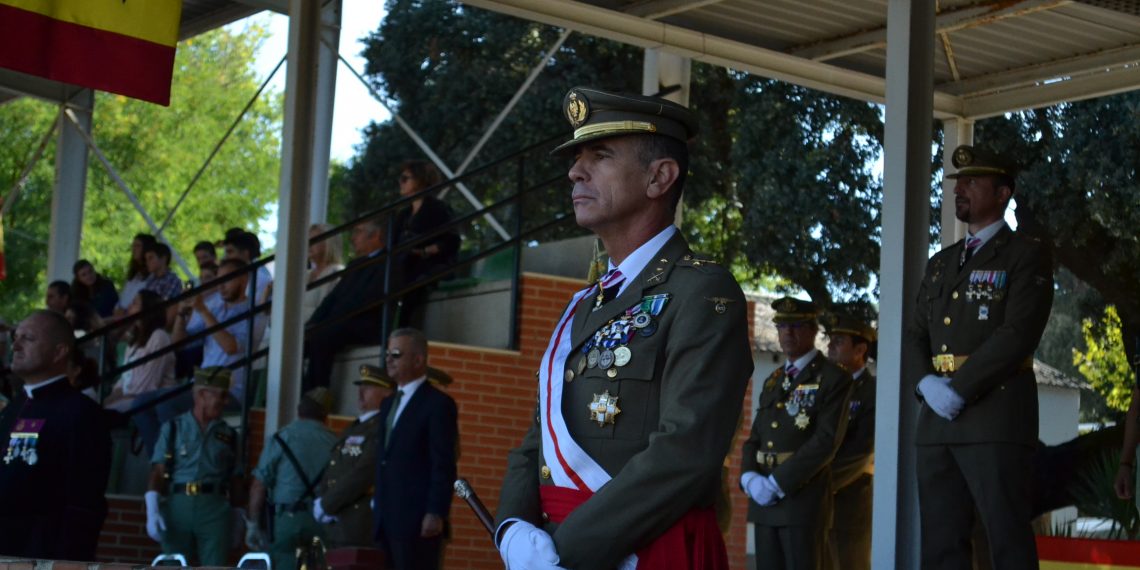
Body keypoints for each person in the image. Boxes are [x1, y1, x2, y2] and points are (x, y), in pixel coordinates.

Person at [495, 87, 754, 570]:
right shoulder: (588, 302)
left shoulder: (701, 291)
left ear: (660, 176)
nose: (575, 171)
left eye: (601, 155)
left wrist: (565, 552)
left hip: (639, 552)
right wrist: (512, 529)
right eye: (576, 158)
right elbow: (538, 439)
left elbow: (685, 453)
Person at [906, 145, 1054, 569]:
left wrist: (961, 388)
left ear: (1003, 192)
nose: (960, 190)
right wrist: (926, 385)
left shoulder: (1025, 254)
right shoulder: (941, 264)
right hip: (936, 420)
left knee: (1004, 539)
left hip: (995, 417)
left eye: (972, 181)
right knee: (940, 544)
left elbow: (1018, 333)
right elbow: (916, 333)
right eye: (957, 183)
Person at [741, 298, 853, 570]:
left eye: (797, 326)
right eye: (782, 327)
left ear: (814, 331)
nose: (787, 333)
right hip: (764, 500)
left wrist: (777, 483)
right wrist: (748, 476)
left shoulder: (833, 378)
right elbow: (756, 434)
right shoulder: (775, 378)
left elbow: (826, 441)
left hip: (802, 500)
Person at [0, 310, 112, 559]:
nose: (15, 345)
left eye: (28, 338)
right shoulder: (13, 409)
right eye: (15, 337)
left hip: (40, 556)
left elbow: (83, 505)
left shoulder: (81, 413)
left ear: (59, 351)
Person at [373, 328, 457, 569]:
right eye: (387, 353)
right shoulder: (389, 403)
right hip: (386, 516)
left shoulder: (437, 404)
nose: (388, 360)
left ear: (418, 360)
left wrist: (436, 511)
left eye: (396, 354)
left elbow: (443, 462)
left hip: (417, 519)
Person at [144, 366, 238, 566]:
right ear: (202, 394)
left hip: (214, 507)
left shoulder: (229, 435)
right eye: (221, 396)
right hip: (177, 504)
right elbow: (158, 471)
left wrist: (242, 517)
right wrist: (152, 509)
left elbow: (236, 477)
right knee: (174, 564)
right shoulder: (173, 428)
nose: (225, 402)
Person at [246, 387, 338, 569]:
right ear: (326, 415)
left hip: (286, 520)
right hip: (320, 521)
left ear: (299, 410)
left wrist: (253, 524)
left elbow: (259, 485)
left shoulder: (281, 438)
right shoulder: (335, 443)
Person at [304, 218, 390, 391]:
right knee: (301, 339)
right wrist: (311, 324)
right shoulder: (356, 264)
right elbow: (331, 299)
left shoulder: (388, 263)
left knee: (323, 335)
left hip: (364, 324)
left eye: (358, 232)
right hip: (341, 321)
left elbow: (368, 299)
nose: (353, 238)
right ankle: (297, 392)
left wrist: (329, 320)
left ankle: (317, 394)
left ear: (375, 235)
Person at [821, 313, 877, 570]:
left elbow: (863, 452)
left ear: (860, 350)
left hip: (850, 499)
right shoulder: (824, 387)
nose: (830, 346)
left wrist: (819, 481)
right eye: (830, 340)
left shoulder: (872, 391)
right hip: (817, 503)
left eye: (839, 341)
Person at [315, 364, 393, 548]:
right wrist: (322, 498)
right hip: (338, 522)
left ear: (387, 393)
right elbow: (334, 465)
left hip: (359, 523)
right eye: (360, 386)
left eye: (369, 387)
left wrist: (328, 504)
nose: (361, 392)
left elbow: (363, 473)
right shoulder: (355, 427)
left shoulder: (380, 427)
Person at [392, 160, 461, 327]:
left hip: (427, 265)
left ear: (419, 180)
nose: (400, 183)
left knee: (409, 282)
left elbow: (452, 240)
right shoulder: (404, 214)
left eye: (405, 178)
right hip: (406, 263)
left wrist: (425, 251)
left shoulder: (438, 209)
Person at [104, 290, 177, 412]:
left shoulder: (159, 337)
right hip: (128, 397)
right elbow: (123, 380)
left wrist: (114, 400)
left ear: (147, 308)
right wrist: (109, 399)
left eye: (135, 303)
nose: (129, 307)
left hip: (147, 400)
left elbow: (146, 387)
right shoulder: (134, 338)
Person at [303, 223, 344, 325]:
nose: (309, 244)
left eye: (315, 239)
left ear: (329, 243)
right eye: (308, 240)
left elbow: (326, 311)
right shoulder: (305, 275)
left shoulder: (336, 272)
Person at [115, 233, 157, 319]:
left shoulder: (152, 276)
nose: (134, 249)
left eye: (138, 246)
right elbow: (123, 297)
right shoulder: (134, 274)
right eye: (133, 245)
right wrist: (118, 308)